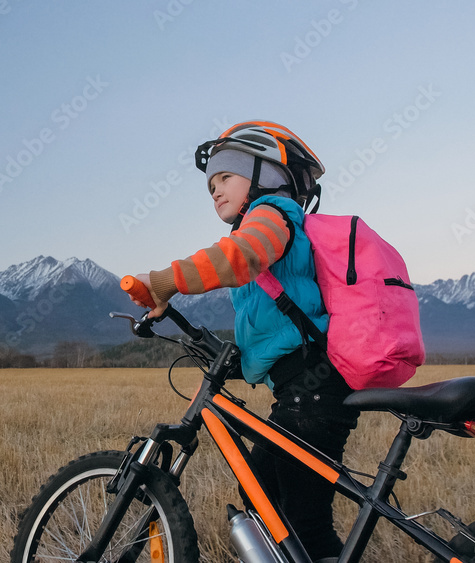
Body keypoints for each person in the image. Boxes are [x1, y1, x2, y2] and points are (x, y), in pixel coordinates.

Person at [128, 120, 359, 562]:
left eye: (226, 177)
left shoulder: (272, 215)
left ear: (265, 175)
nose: (215, 190)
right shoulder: (261, 223)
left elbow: (240, 257)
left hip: (311, 390)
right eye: (211, 184)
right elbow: (274, 324)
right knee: (262, 497)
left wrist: (164, 282)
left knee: (303, 520)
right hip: (297, 393)